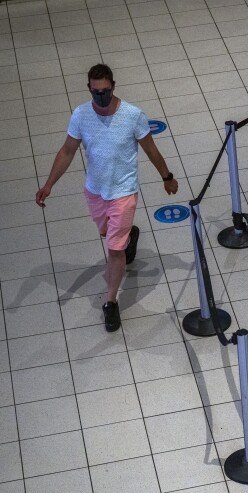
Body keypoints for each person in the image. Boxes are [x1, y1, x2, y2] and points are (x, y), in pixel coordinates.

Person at [36, 63, 179, 332]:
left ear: (113, 86)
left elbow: (150, 149)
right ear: (89, 88)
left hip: (123, 193)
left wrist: (167, 177)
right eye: (95, 91)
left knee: (114, 250)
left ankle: (110, 302)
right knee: (108, 235)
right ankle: (130, 237)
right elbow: (67, 151)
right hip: (95, 192)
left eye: (105, 91)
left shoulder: (132, 115)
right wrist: (48, 184)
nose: (100, 96)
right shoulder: (80, 115)